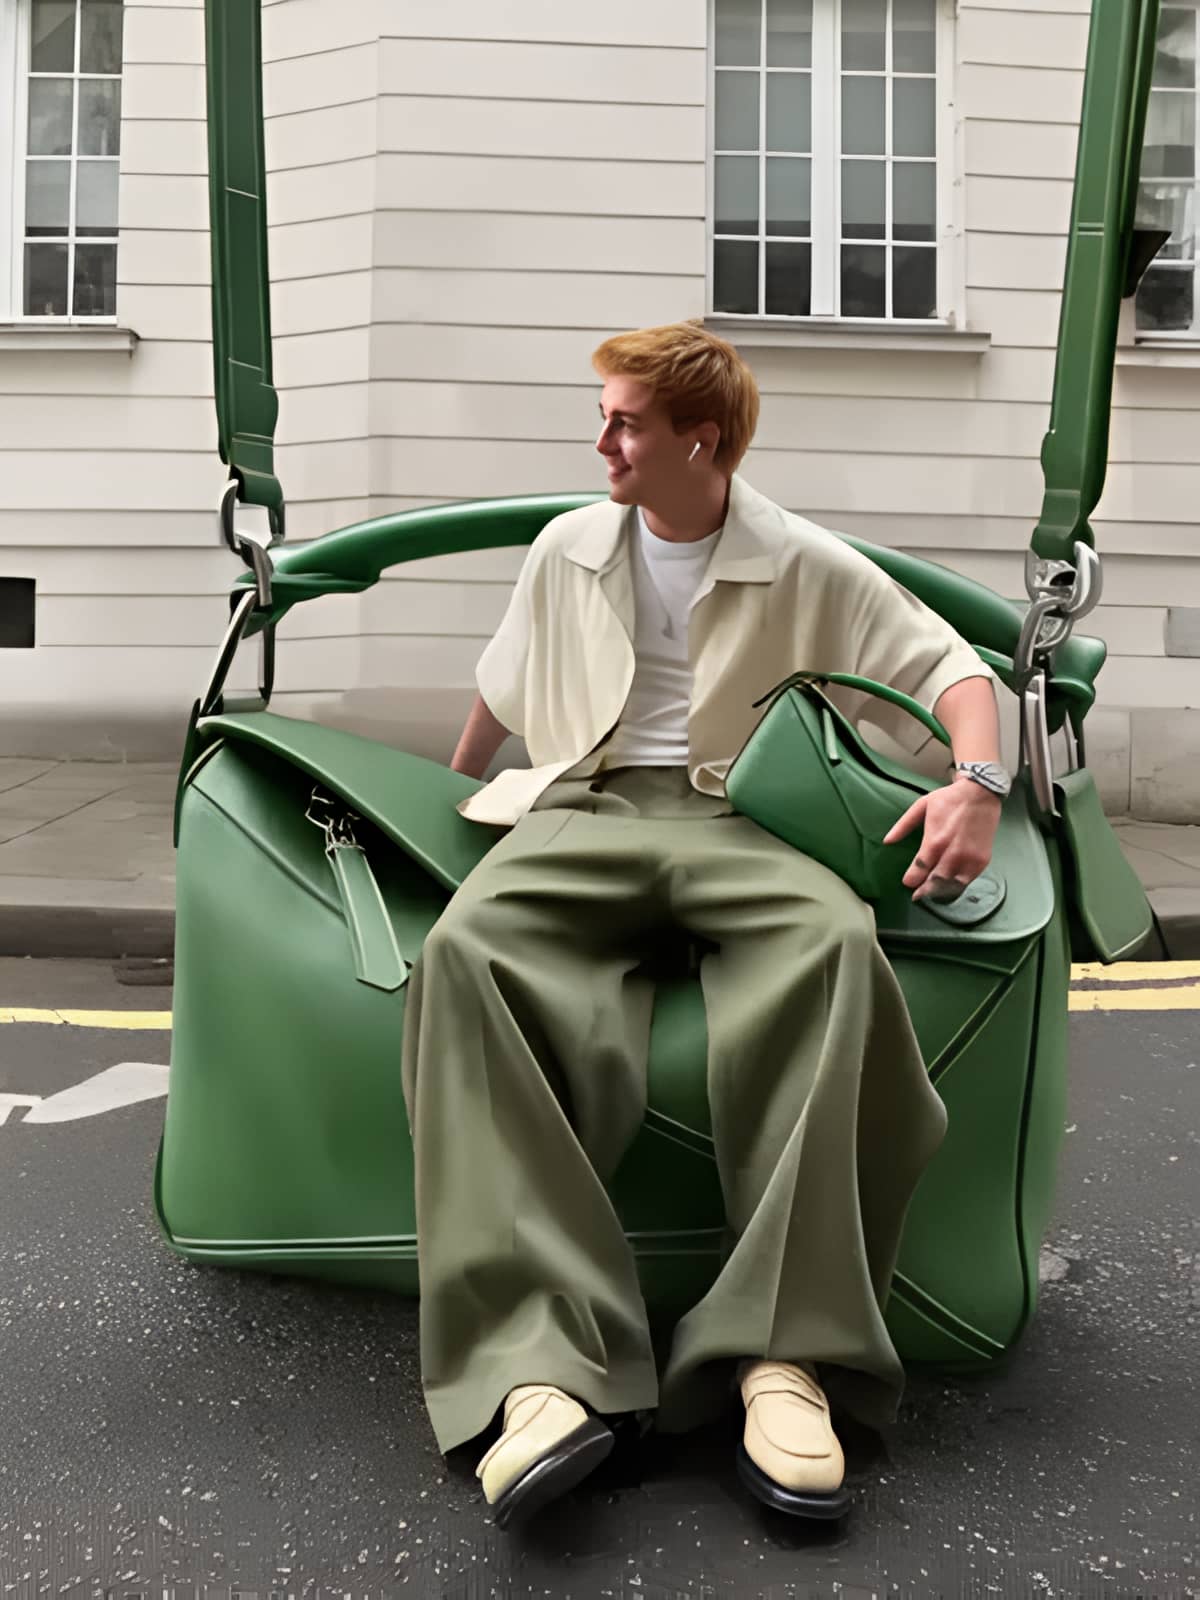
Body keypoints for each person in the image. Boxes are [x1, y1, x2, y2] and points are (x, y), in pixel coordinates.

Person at [400, 321, 1007, 1528]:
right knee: (465, 952)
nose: (603, 440)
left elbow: (951, 668)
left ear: (702, 440)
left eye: (624, 420)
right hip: (588, 802)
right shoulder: (570, 545)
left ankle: (786, 1355)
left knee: (836, 951)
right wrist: (435, 796)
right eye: (607, 417)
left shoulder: (802, 560)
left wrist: (976, 785)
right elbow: (503, 684)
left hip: (745, 818)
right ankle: (539, 1369)